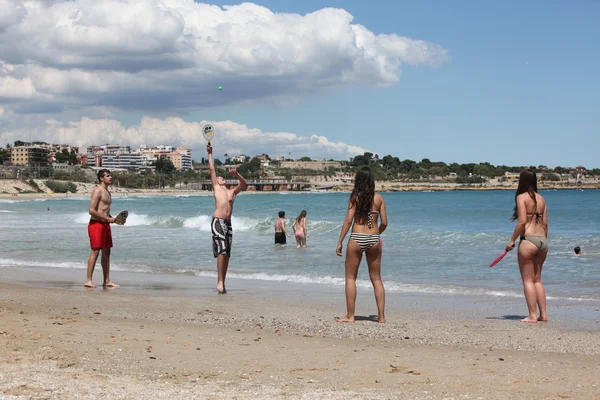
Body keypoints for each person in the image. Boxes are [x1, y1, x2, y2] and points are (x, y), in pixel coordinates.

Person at [335, 166, 387, 323]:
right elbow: (384, 222)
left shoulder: (355, 197)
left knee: (351, 278)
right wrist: (377, 234)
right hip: (374, 238)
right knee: (376, 279)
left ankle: (351, 316)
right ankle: (381, 317)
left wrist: (340, 241)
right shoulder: (378, 198)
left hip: (357, 237)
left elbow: (349, 220)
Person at [505, 169, 548, 323]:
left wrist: (512, 241)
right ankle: (543, 315)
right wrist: (543, 242)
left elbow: (522, 221)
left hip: (528, 240)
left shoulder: (521, 197)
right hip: (542, 241)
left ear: (521, 181)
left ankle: (532, 315)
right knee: (538, 280)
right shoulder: (541, 199)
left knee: (528, 280)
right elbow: (545, 224)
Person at [207, 144, 247, 294]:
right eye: (219, 178)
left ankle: (223, 282)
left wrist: (237, 174)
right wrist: (210, 154)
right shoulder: (216, 188)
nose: (221, 178)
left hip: (228, 224)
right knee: (222, 251)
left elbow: (244, 184)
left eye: (223, 177)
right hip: (217, 221)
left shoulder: (232, 193)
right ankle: (219, 282)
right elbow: (212, 169)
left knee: (228, 254)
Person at [85, 169, 126, 288]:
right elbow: (91, 211)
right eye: (108, 176)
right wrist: (109, 219)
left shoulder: (108, 192)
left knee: (107, 252)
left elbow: (105, 211)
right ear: (101, 178)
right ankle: (88, 280)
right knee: (95, 251)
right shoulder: (97, 190)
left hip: (105, 224)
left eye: (110, 175)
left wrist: (115, 220)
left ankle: (106, 281)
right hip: (96, 224)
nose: (110, 177)